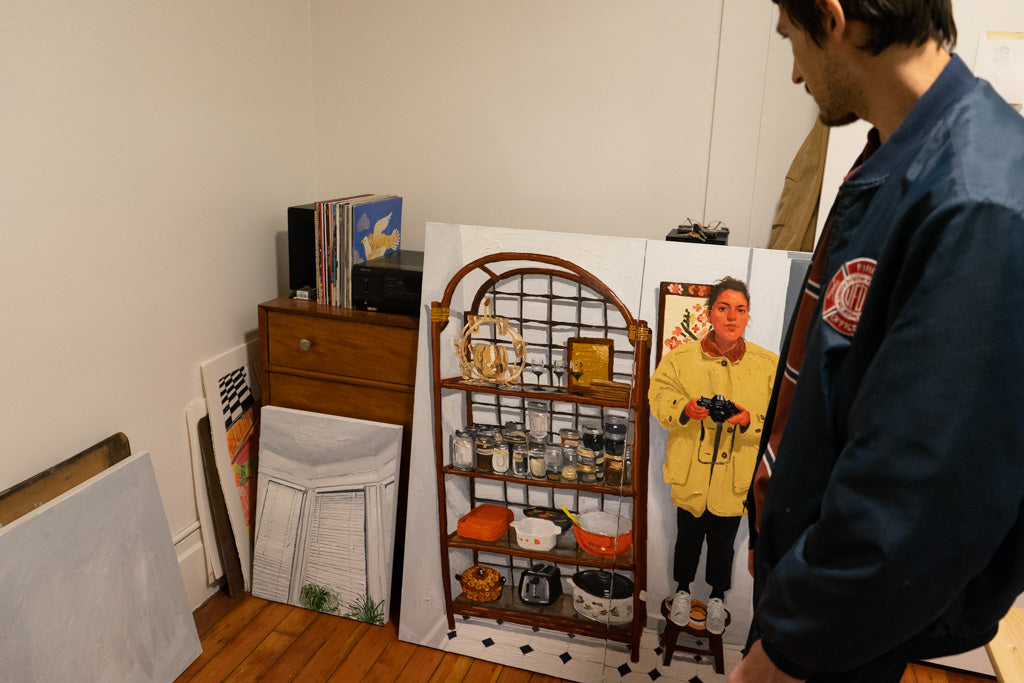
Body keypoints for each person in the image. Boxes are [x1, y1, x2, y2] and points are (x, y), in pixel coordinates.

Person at [731, 1, 1024, 681]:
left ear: (837, 20)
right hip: (818, 579)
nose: (796, 77)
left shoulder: (980, 200)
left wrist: (788, 648)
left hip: (842, 615)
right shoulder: (902, 152)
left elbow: (917, 492)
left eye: (792, 41)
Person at [649, 277, 778, 635]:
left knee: (723, 543)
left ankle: (718, 597)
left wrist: (749, 419)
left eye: (740, 310)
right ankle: (682, 591)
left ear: (748, 315)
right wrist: (684, 408)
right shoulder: (679, 359)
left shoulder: (768, 366)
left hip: (734, 478)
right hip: (690, 473)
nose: (732, 317)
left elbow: (786, 418)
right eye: (723, 308)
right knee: (686, 538)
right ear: (709, 313)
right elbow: (657, 399)